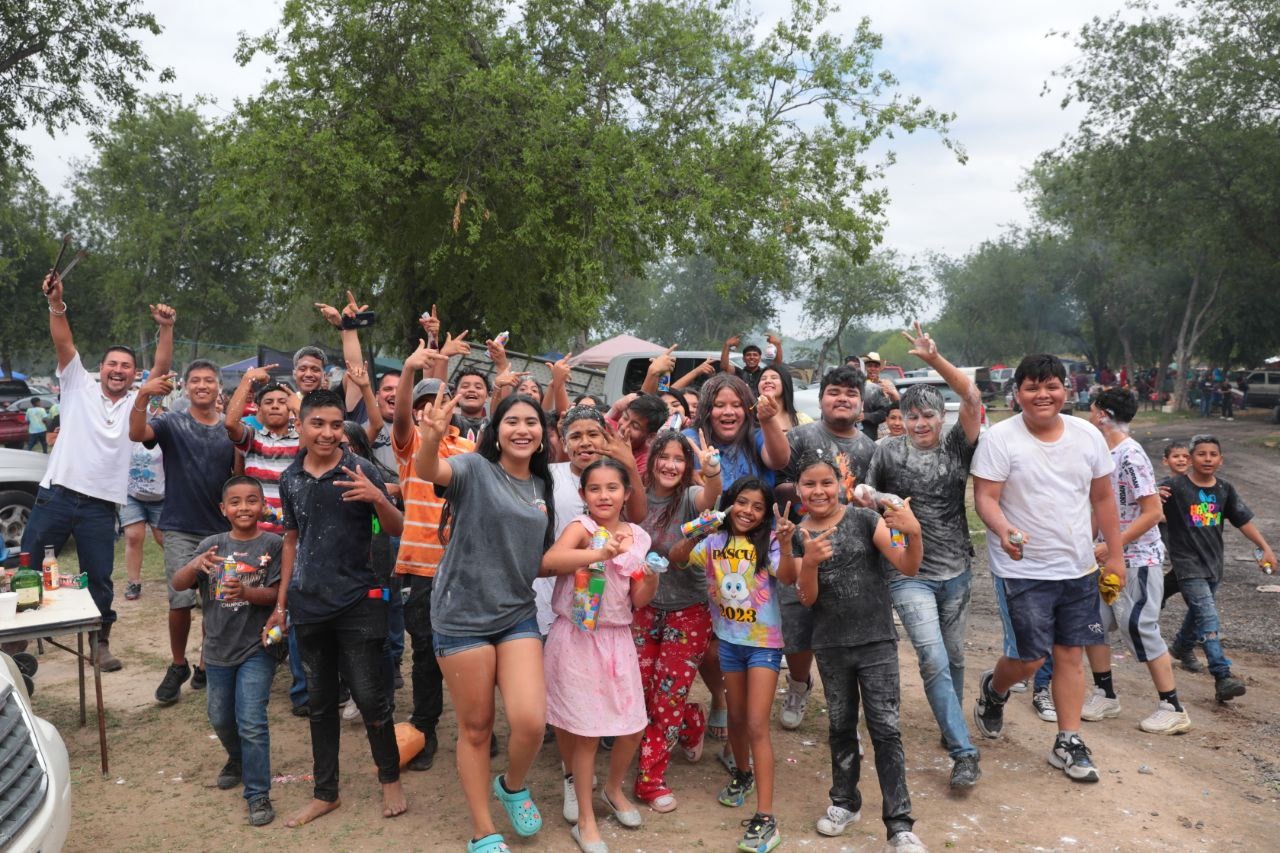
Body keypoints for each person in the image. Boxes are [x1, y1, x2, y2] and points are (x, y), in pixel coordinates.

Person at [970, 353, 1126, 784]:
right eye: (1032, 387)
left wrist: (1115, 555)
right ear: (1017, 393)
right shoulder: (1000, 438)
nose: (1043, 395)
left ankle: (1068, 741)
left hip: (1076, 567)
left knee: (1069, 655)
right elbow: (986, 498)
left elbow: (1103, 500)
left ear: (1065, 389)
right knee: (1030, 658)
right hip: (1022, 568)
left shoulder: (1087, 436)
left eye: (1051, 385)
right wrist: (1004, 530)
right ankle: (994, 689)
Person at [414, 391, 555, 853]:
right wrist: (431, 441)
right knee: (476, 727)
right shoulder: (475, 469)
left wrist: (597, 555)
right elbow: (429, 470)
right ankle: (481, 828)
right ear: (496, 431)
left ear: (542, 434)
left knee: (531, 722)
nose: (522, 429)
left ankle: (512, 786)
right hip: (462, 615)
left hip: (516, 614)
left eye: (531, 422)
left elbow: (538, 559)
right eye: (511, 421)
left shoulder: (542, 486)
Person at [261, 389, 406, 827]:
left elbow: (398, 527)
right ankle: (326, 792)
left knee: (369, 696)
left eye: (335, 424)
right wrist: (282, 605)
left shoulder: (361, 469)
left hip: (359, 601)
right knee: (321, 702)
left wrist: (378, 498)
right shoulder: (290, 479)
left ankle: (390, 780)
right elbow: (291, 540)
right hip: (308, 605)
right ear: (300, 427)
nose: (327, 432)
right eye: (317, 424)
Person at [21, 271, 174, 672]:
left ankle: (99, 642)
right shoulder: (77, 385)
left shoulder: (137, 403)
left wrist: (166, 327)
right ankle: (16, 642)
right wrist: (57, 302)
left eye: (126, 366)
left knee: (100, 579)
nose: (118, 370)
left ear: (134, 374)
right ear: (100, 368)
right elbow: (64, 341)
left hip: (102, 506)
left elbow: (162, 365)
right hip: (56, 494)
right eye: (112, 364)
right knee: (28, 566)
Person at [778, 452, 925, 850]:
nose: (819, 491)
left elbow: (908, 566)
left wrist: (914, 532)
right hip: (830, 644)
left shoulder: (865, 520)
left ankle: (899, 824)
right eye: (809, 484)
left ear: (842, 482)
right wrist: (808, 562)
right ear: (798, 488)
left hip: (876, 641)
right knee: (841, 726)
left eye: (826, 482)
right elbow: (805, 599)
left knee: (885, 729)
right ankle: (845, 801)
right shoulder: (798, 534)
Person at [864, 324, 983, 788]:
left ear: (940, 418)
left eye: (927, 416)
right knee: (931, 658)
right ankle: (963, 751)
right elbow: (868, 492)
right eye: (911, 416)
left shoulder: (957, 446)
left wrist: (934, 360)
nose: (919, 424)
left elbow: (972, 399)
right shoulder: (887, 451)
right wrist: (869, 498)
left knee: (953, 658)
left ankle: (949, 723)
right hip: (907, 572)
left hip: (957, 570)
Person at [542, 459, 658, 852]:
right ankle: (586, 822)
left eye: (613, 488)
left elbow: (638, 599)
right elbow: (548, 562)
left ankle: (612, 789)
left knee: (632, 724)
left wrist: (651, 575)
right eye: (595, 489)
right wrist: (599, 555)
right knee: (588, 735)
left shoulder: (639, 536)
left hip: (617, 638)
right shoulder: (582, 528)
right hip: (577, 637)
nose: (604, 495)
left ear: (627, 494)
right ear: (582, 495)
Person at [670, 476, 785, 853]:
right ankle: (742, 773)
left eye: (757, 507)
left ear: (765, 514)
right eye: (742, 503)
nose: (748, 511)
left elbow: (789, 575)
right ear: (729, 503)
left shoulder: (768, 542)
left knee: (755, 724)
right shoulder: (715, 542)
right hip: (730, 646)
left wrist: (785, 542)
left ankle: (766, 818)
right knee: (735, 718)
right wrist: (699, 529)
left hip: (764, 646)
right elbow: (678, 557)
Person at [170, 475, 282, 827]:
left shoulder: (273, 545)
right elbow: (178, 584)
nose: (244, 507)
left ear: (263, 505)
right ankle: (237, 759)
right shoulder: (212, 545)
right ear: (223, 509)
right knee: (220, 717)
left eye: (252, 500)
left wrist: (248, 593)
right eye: (235, 502)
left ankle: (258, 793)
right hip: (217, 649)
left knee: (251, 720)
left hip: (257, 648)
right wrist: (195, 564)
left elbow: (279, 594)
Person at [1079, 388, 1190, 734]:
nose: (1088, 415)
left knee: (1139, 627)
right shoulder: (1103, 453)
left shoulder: (1130, 455)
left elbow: (1153, 512)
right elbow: (1102, 505)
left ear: (1102, 415)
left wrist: (1114, 547)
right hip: (1104, 558)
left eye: (1091, 410)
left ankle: (1173, 706)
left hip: (1137, 560)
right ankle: (1105, 693)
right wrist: (1087, 542)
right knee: (1091, 624)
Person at [773, 365, 876, 731]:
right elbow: (779, 475)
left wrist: (868, 501)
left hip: (850, 556)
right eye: (834, 392)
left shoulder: (868, 448)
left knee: (846, 634)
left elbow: (874, 499)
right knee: (798, 630)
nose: (842, 398)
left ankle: (847, 706)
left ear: (861, 404)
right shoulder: (800, 436)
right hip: (800, 547)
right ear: (820, 400)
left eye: (851, 393)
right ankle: (799, 684)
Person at [391, 341, 476, 771]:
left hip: (462, 567)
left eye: (438, 402)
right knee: (424, 650)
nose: (430, 410)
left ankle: (475, 728)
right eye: (424, 405)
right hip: (420, 570)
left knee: (468, 650)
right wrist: (408, 371)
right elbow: (401, 415)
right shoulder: (409, 448)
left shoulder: (469, 451)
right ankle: (424, 729)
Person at [132, 360, 238, 704]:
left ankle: (208, 664)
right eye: (195, 380)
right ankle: (179, 664)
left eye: (209, 380)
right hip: (180, 526)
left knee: (216, 603)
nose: (202, 385)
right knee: (179, 601)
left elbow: (238, 478)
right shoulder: (172, 423)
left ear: (218, 387)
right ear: (186, 387)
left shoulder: (231, 430)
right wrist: (143, 398)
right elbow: (137, 434)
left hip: (222, 530)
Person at [632, 429, 723, 812]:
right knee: (641, 690)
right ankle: (690, 718)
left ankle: (650, 780)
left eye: (678, 459)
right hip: (643, 608)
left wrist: (712, 470)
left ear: (687, 466)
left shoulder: (690, 498)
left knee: (666, 694)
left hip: (689, 611)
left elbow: (710, 495)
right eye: (663, 456)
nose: (670, 465)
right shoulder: (634, 498)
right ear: (651, 461)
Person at [1162, 434, 1276, 702]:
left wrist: (1265, 547)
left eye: (1213, 454)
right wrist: (1150, 494)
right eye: (1201, 454)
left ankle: (1180, 646)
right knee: (1209, 617)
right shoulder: (1174, 487)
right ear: (1190, 459)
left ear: (1221, 460)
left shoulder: (1224, 489)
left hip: (1214, 564)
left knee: (1200, 614)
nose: (1207, 459)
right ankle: (1222, 675)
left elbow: (1242, 521)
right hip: (1187, 564)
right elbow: (1143, 502)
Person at [121, 410, 166, 601]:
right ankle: (134, 582)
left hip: (162, 498)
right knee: (133, 536)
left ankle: (183, 579)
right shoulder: (127, 437)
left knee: (164, 540)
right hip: (132, 496)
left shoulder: (164, 436)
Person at [718, 334, 783, 396]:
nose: (752, 357)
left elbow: (777, 366)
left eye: (755, 355)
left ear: (760, 359)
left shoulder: (764, 373)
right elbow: (724, 366)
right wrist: (727, 345)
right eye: (748, 355)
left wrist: (778, 345)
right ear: (743, 359)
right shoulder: (738, 372)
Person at [857, 352, 900, 441]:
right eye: (870, 366)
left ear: (879, 369)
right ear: (864, 368)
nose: (873, 369)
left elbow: (899, 405)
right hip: (866, 433)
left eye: (876, 366)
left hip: (888, 432)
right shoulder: (858, 385)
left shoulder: (886, 383)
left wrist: (893, 394)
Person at [756, 364, 810, 433]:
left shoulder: (803, 420)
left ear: (785, 383)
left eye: (774, 377)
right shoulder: (750, 419)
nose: (767, 381)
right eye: (763, 379)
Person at [452, 367, 493, 444]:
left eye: (478, 387)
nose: (471, 390)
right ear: (455, 394)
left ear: (487, 396)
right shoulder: (449, 420)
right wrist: (443, 361)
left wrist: (502, 366)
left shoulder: (490, 426)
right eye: (465, 386)